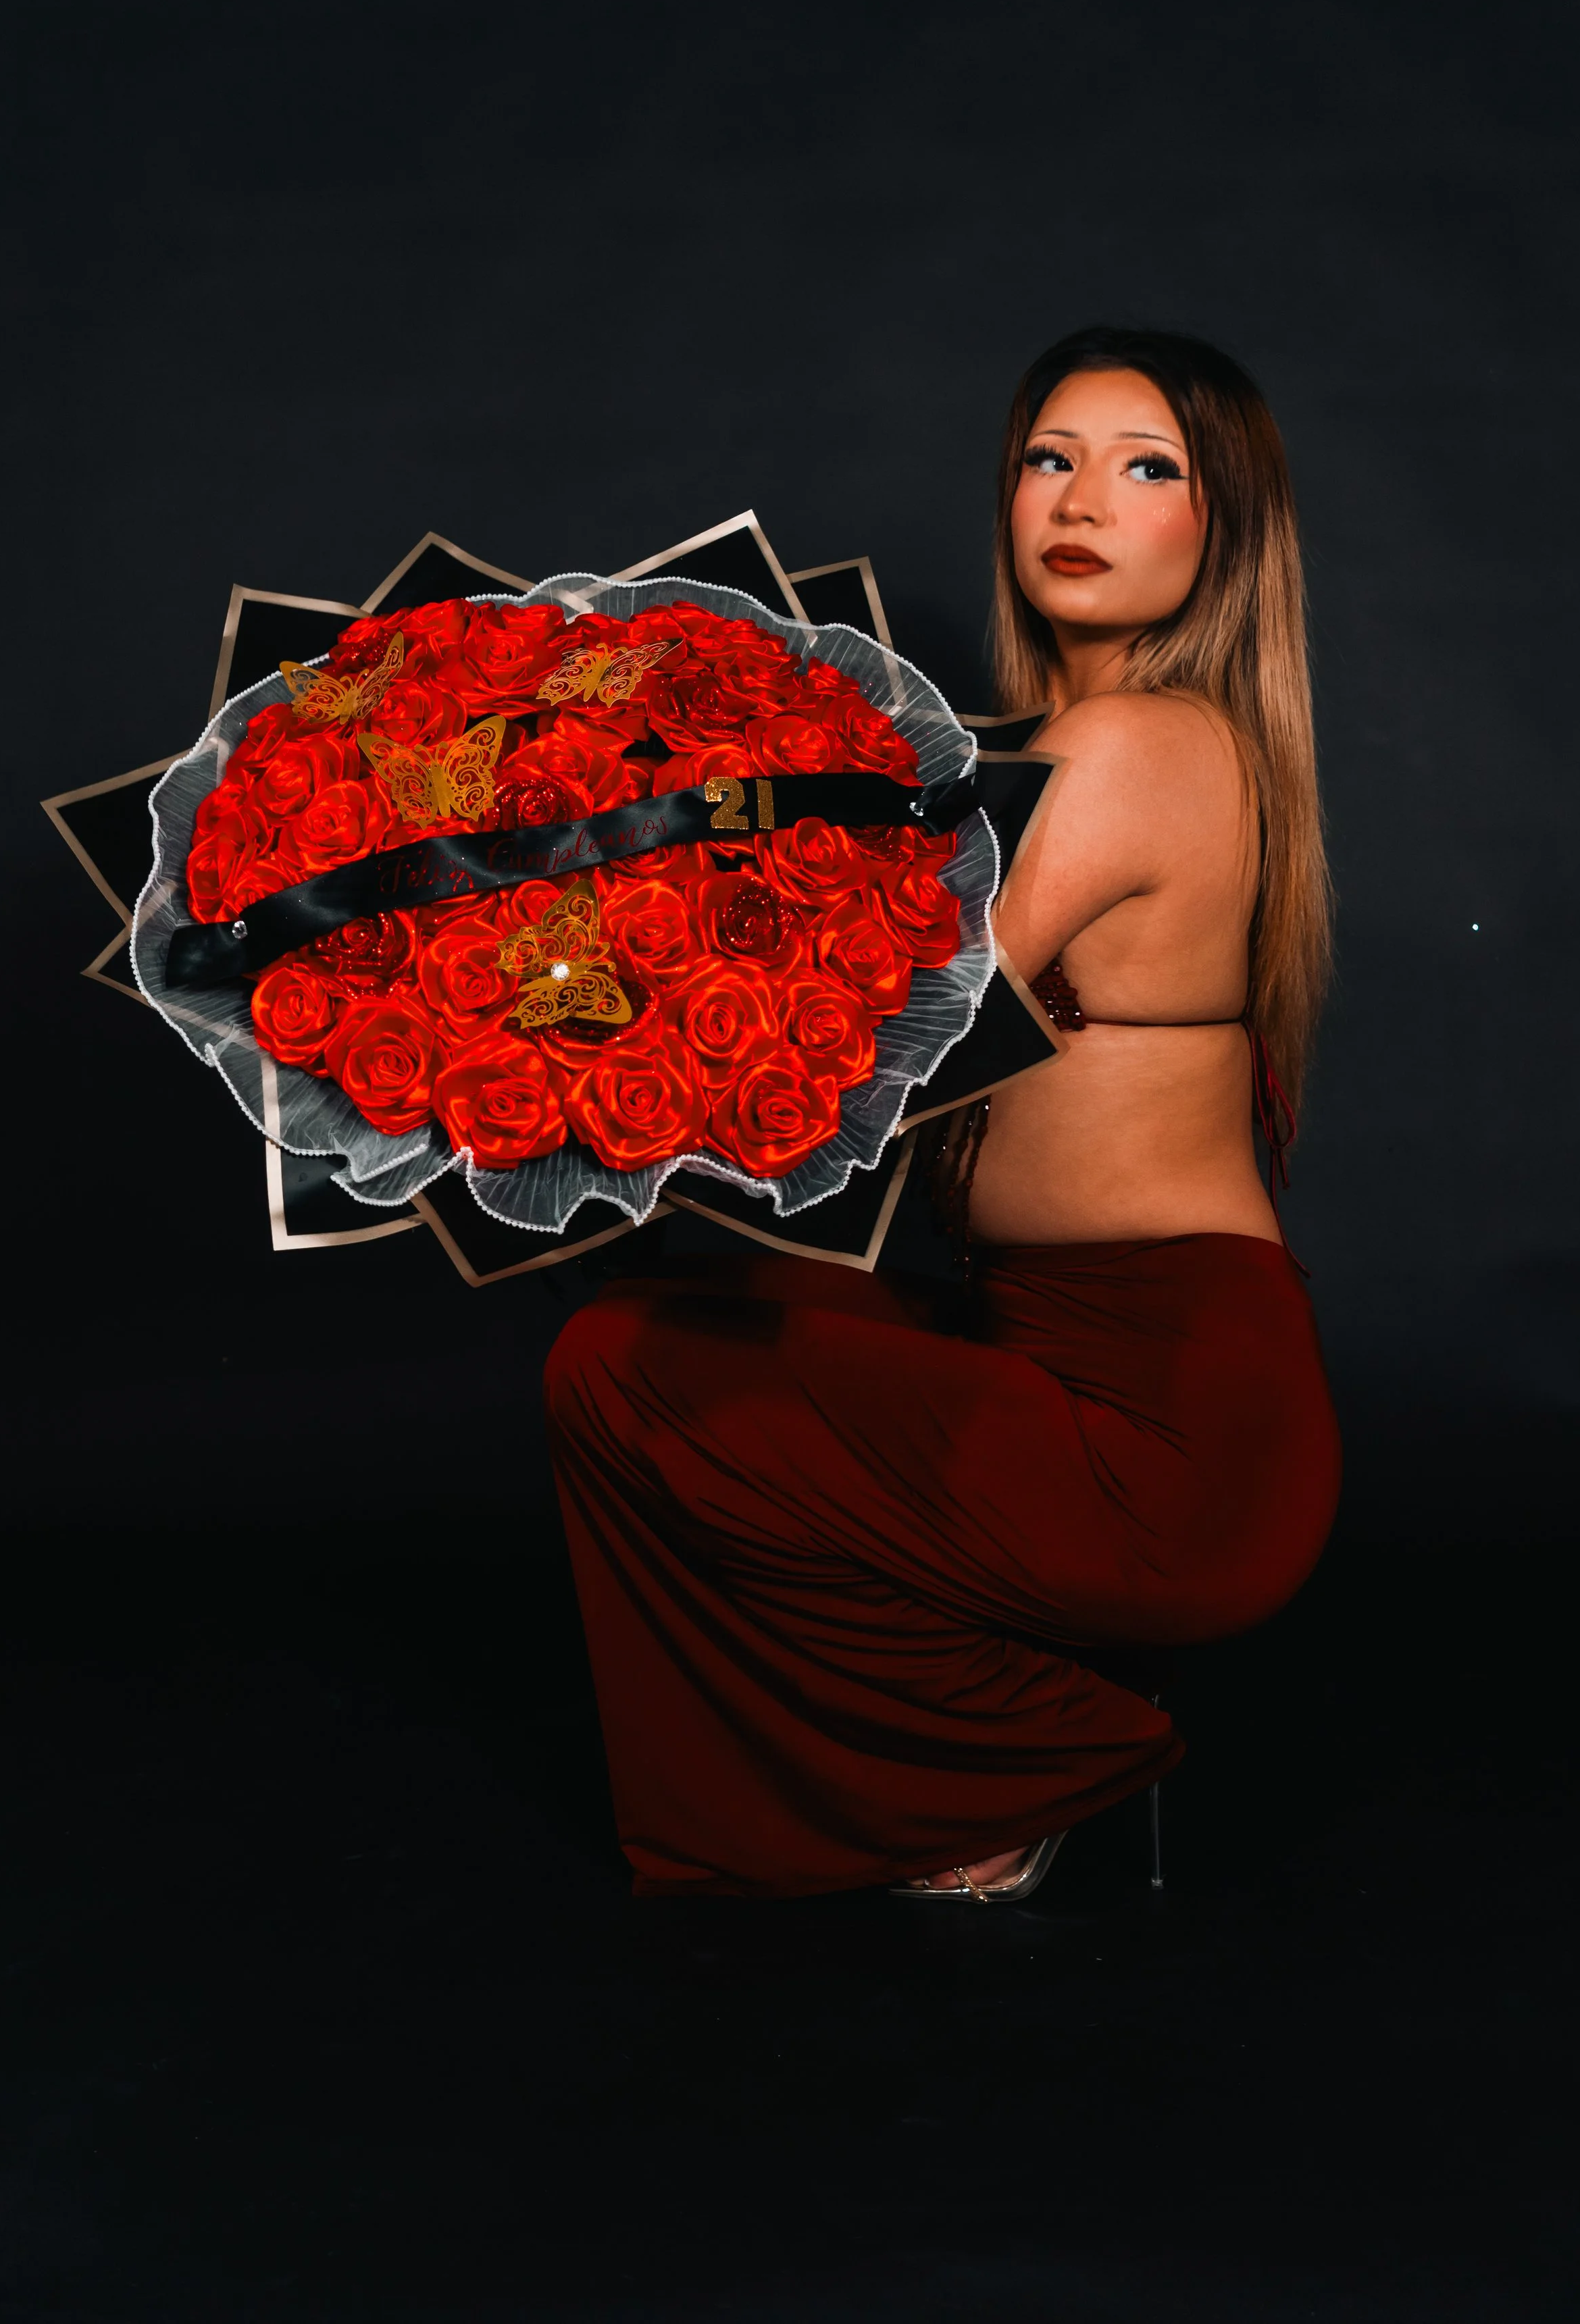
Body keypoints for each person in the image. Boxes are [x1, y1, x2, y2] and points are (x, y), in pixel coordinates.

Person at [544, 328, 1342, 1901]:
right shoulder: (1029, 755)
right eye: (1050, 458)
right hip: (1037, 1348)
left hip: (1170, 1432)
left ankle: (1007, 1771)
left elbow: (866, 1023)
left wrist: (547, 963)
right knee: (709, 1317)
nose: (1082, 498)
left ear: (1220, 530)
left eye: (1146, 468)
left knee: (617, 1369)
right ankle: (964, 1763)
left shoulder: (1133, 745)